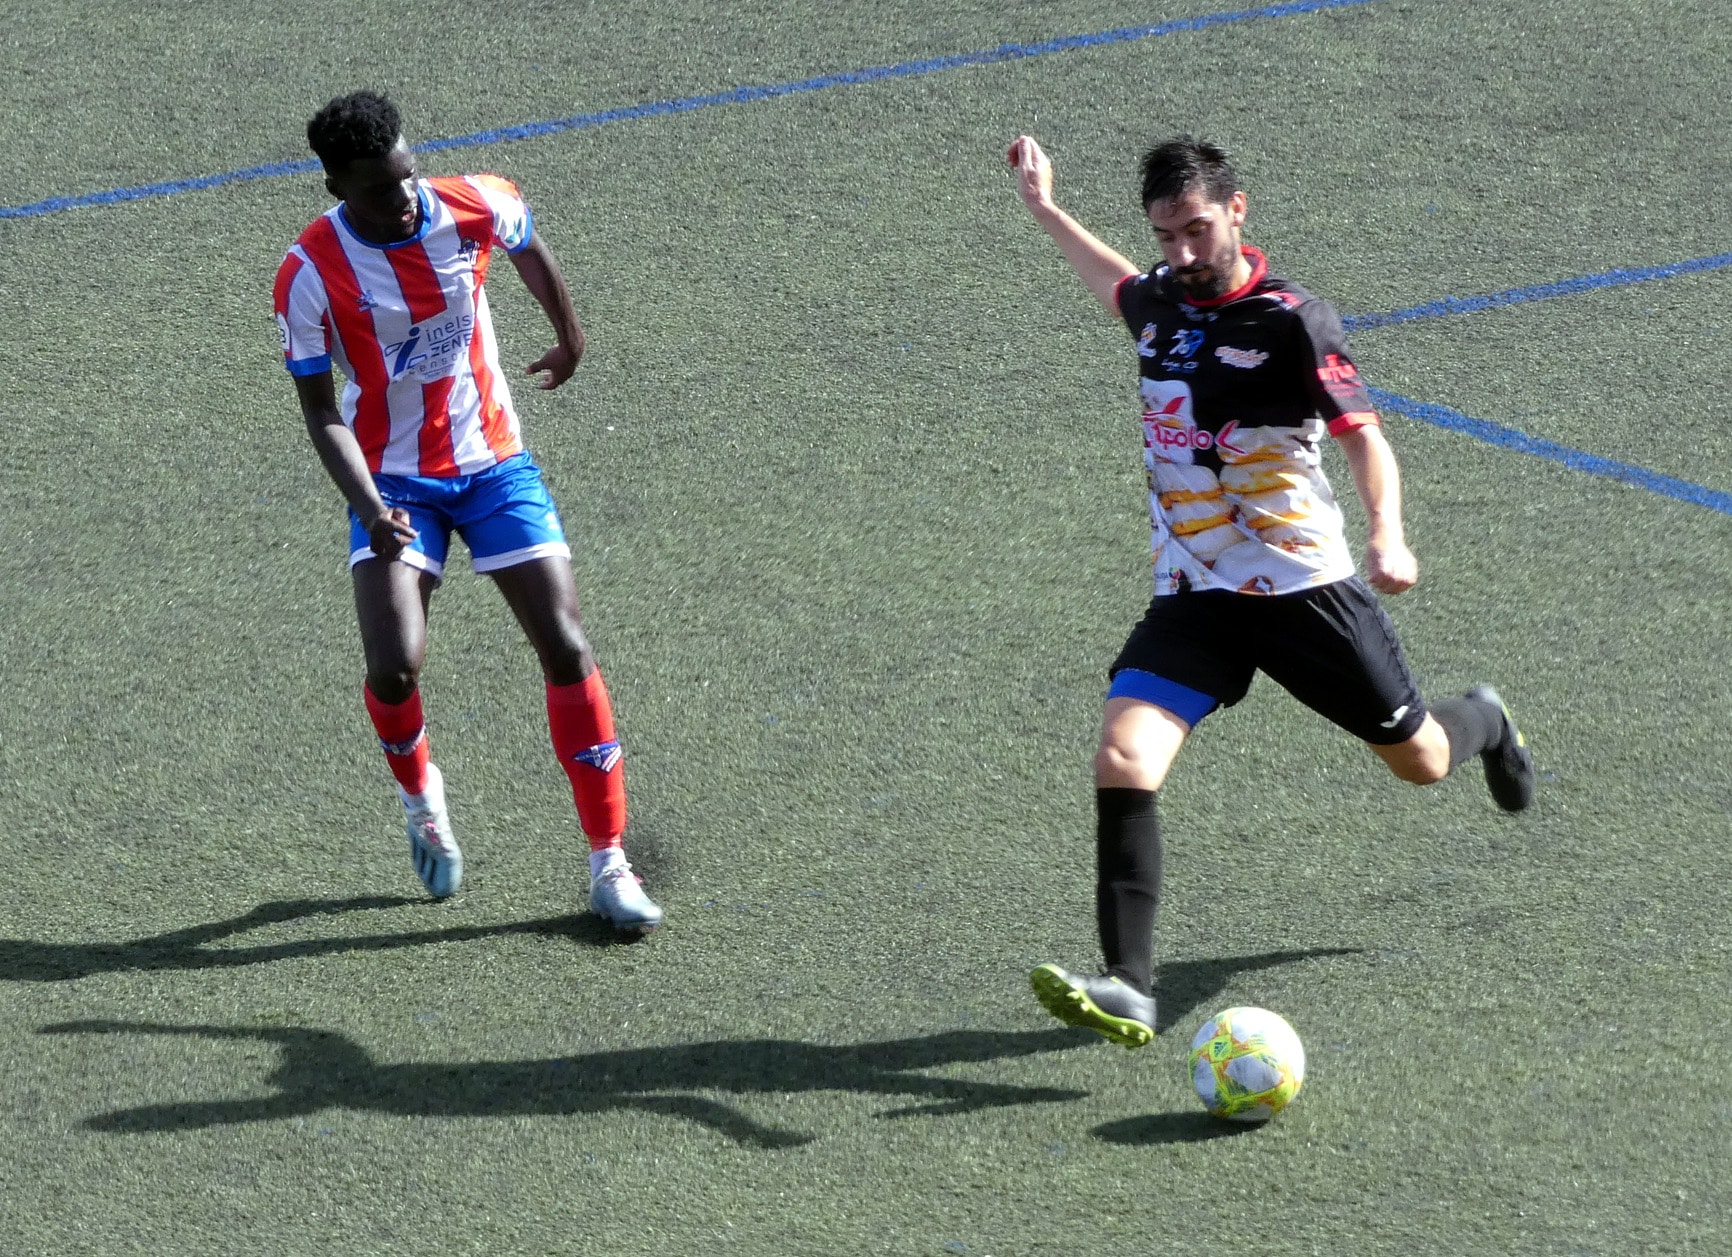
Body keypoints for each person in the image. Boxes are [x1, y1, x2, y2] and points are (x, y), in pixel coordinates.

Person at [1006, 134, 1533, 1045]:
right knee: (1123, 758)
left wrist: (1388, 535)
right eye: (1165, 235)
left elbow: (1364, 437)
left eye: (1196, 230)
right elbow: (1117, 286)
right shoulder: (1162, 304)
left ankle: (1485, 718)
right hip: (1196, 594)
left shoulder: (1293, 319)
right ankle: (1131, 983)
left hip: (1305, 594)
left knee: (1422, 761)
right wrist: (1046, 208)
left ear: (1237, 211)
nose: (1179, 253)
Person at [273, 91, 660, 933]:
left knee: (566, 644)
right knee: (394, 667)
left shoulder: (469, 202)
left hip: (493, 464)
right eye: (380, 189)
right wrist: (371, 509)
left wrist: (570, 332)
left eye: (407, 174)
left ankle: (609, 863)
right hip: (394, 485)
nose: (404, 197)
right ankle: (422, 799)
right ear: (337, 185)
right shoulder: (308, 272)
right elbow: (320, 412)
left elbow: (525, 241)